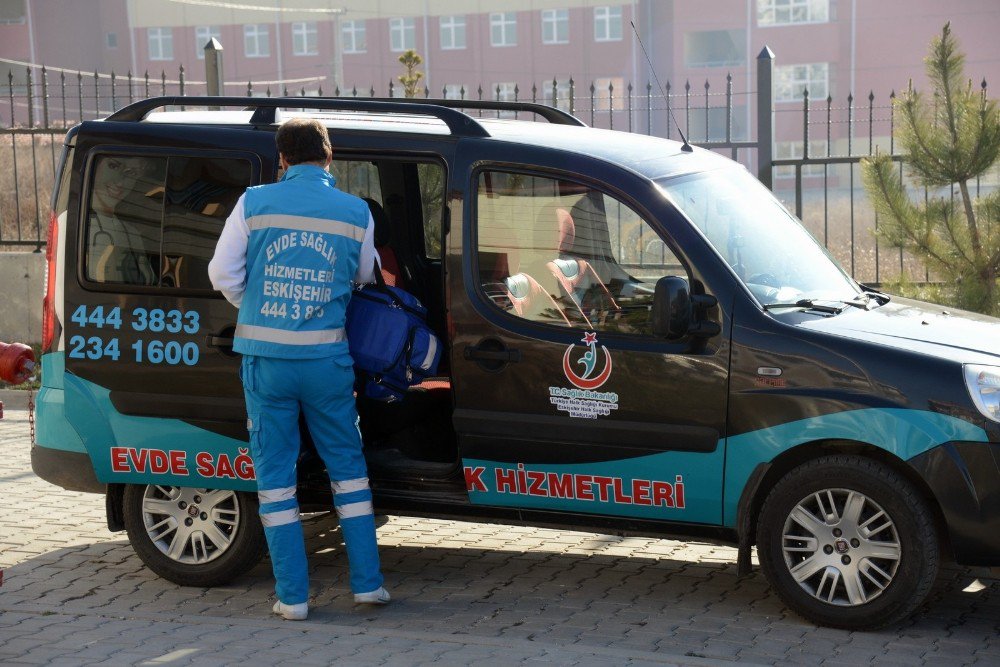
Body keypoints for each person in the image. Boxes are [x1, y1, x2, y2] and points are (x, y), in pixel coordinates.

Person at [208, 118, 389, 621]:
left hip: (267, 363)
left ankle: (293, 599)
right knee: (348, 472)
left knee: (276, 478)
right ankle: (368, 587)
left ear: (282, 159)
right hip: (327, 362)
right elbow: (364, 276)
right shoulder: (356, 212)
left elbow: (221, 273)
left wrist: (259, 306)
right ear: (329, 157)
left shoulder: (252, 202)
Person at [87, 156, 158, 285]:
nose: (120, 182)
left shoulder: (132, 233)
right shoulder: (78, 228)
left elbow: (148, 281)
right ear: (95, 166)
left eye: (132, 172)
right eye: (113, 166)